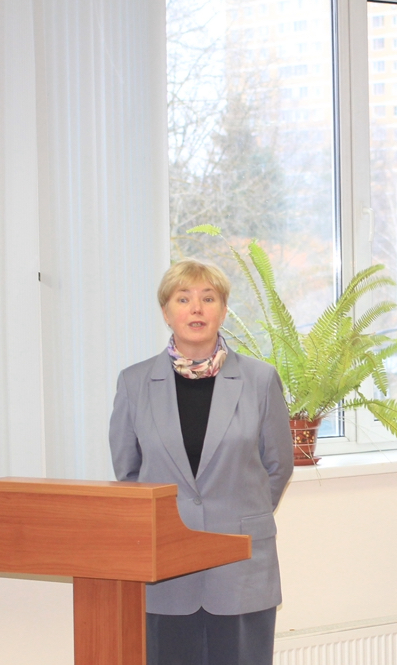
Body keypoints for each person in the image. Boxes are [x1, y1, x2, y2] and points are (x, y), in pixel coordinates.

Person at [110, 259, 293, 665]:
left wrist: (242, 514)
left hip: (241, 567)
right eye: (183, 298)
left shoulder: (260, 380)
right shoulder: (134, 383)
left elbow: (278, 465)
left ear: (223, 311)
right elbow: (128, 472)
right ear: (166, 312)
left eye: (208, 298)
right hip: (166, 570)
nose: (196, 308)